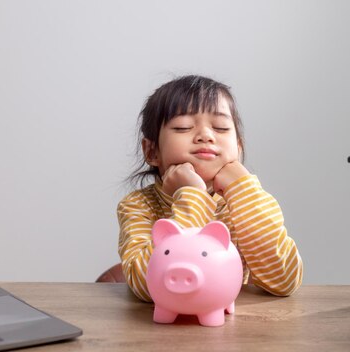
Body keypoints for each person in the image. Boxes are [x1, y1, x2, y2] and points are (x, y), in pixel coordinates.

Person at [117, 75, 303, 302]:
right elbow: (147, 287)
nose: (206, 135)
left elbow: (285, 281)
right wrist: (192, 196)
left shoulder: (247, 202)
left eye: (221, 127)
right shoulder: (138, 206)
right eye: (183, 127)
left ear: (238, 147)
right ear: (152, 151)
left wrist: (243, 189)